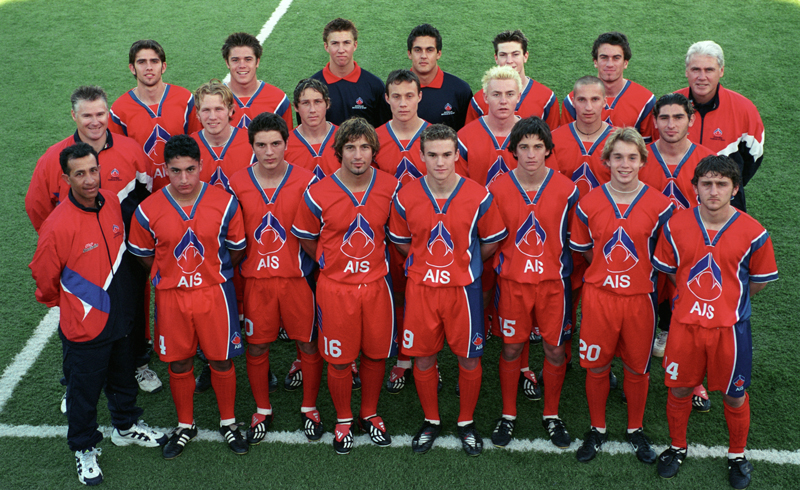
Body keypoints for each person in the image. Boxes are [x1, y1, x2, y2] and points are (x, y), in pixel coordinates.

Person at [30, 143, 166, 486]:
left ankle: (126, 426)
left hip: (120, 316)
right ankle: (84, 447)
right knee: (83, 392)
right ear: (66, 179)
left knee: (123, 376)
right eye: (80, 174)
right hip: (84, 326)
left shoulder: (110, 202)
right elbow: (44, 279)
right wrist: (73, 306)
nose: (89, 179)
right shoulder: (56, 225)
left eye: (93, 171)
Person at [25, 85, 160, 398]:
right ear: (74, 116)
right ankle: (74, 380)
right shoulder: (54, 158)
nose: (95, 121)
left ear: (108, 114)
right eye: (87, 115)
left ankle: (138, 363)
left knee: (131, 309)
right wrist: (63, 246)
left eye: (100, 114)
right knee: (80, 315)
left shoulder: (130, 150)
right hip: (79, 260)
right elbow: (38, 207)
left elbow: (150, 198)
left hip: (126, 255)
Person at [652, 155, 777, 489]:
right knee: (679, 388)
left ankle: (737, 454)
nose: (713, 190)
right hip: (685, 327)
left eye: (722, 184)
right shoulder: (675, 226)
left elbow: (758, 281)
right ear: (695, 187)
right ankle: (677, 447)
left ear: (735, 189)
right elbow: (672, 272)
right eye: (706, 183)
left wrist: (726, 302)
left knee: (734, 395)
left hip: (730, 331)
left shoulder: (754, 232)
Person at [388, 124, 507, 456]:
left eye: (446, 154)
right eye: (432, 155)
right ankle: (431, 420)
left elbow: (491, 240)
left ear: (457, 155)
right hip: (422, 290)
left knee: (468, 358)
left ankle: (466, 422)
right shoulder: (406, 196)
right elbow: (401, 242)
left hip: (463, 291)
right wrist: (426, 264)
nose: (440, 162)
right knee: (424, 357)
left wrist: (464, 262)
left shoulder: (478, 195)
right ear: (421, 156)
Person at [128, 135, 248, 459]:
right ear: (165, 169)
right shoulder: (147, 209)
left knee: (221, 359)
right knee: (179, 361)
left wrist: (210, 273)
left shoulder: (224, 202)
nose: (183, 178)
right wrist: (170, 275)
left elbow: (236, 250)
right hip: (172, 297)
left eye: (190, 169)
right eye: (176, 170)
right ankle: (185, 425)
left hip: (214, 294)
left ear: (201, 166)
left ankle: (228, 422)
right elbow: (143, 254)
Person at [291, 117, 399, 455]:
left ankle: (369, 412)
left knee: (376, 354)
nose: (358, 154)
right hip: (336, 289)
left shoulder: (391, 186)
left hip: (377, 286)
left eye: (365, 147)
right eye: (350, 147)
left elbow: (398, 234)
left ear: (374, 151)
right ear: (338, 152)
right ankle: (343, 418)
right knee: (339, 360)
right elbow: (307, 237)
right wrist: (330, 262)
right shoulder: (317, 192)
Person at [569, 128, 673, 464]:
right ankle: (597, 428)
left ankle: (635, 429)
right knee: (597, 366)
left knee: (637, 369)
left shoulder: (661, 206)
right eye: (618, 157)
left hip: (640, 300)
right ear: (607, 161)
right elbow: (586, 251)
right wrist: (608, 273)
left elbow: (664, 257)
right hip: (600, 298)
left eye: (631, 157)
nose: (624, 164)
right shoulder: (588, 203)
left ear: (642, 161)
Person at [228, 112, 324, 444]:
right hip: (257, 282)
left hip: (298, 279)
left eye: (275, 144)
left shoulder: (308, 180)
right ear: (251, 146)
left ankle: (309, 407)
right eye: (261, 145)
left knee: (308, 343)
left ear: (286, 143)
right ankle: (262, 409)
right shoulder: (236, 182)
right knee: (257, 346)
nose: (269, 152)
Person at [488, 117, 578, 448]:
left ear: (548, 150)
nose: (530, 154)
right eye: (523, 147)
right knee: (512, 347)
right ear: (513, 151)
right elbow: (491, 238)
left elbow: (574, 239)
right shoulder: (497, 189)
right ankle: (508, 414)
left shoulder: (567, 189)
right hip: (513, 284)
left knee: (555, 349)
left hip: (554, 284)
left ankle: (551, 414)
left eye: (537, 147)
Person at [374, 69, 430, 394]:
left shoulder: (436, 137)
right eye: (396, 96)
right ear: (387, 99)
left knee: (424, 298)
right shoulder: (375, 139)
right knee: (396, 295)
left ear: (420, 96)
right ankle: (402, 355)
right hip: (386, 237)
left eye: (410, 95)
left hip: (429, 238)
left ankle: (423, 357)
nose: (403, 103)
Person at [676, 41, 764, 212]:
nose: (702, 77)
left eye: (709, 70)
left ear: (721, 71)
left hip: (726, 201)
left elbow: (754, 156)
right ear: (687, 71)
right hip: (680, 197)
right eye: (695, 69)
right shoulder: (670, 106)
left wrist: (730, 184)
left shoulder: (744, 109)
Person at [109, 39, 202, 190]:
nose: (149, 67)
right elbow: (117, 159)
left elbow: (199, 145)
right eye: (141, 62)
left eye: (154, 61)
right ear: (132, 68)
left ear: (163, 66)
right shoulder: (120, 110)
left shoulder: (184, 99)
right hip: (143, 193)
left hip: (183, 189)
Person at [561, 32, 656, 143]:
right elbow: (566, 143)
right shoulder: (573, 100)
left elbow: (647, 147)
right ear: (595, 62)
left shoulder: (645, 100)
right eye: (604, 57)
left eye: (616, 58)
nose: (610, 64)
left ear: (625, 63)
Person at [465, 30, 559, 131]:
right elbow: (470, 135)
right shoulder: (479, 100)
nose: (509, 61)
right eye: (503, 55)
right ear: (496, 58)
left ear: (525, 56)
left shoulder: (546, 97)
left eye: (515, 54)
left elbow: (553, 138)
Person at [309, 18, 389, 128]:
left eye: (346, 43)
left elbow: (384, 129)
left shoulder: (375, 86)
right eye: (335, 43)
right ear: (326, 47)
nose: (341, 50)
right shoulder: (311, 88)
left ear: (355, 45)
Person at [190, 80, 254, 191]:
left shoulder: (252, 143)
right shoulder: (188, 147)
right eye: (206, 110)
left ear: (230, 110)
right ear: (198, 114)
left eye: (218, 109)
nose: (212, 117)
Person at [221, 32, 293, 130]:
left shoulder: (279, 100)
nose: (242, 65)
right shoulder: (212, 101)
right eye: (235, 60)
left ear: (257, 61)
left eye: (248, 59)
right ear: (227, 63)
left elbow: (287, 139)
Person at [406, 23, 473, 130]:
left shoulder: (460, 90)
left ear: (438, 54)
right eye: (418, 50)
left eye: (429, 50)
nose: (423, 56)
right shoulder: (396, 91)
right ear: (409, 53)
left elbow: (468, 133)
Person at [285, 78, 340, 180]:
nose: (312, 110)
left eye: (317, 102)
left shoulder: (345, 138)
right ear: (296, 106)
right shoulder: (284, 144)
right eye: (305, 103)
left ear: (327, 103)